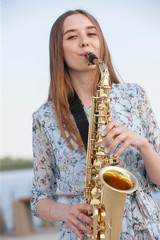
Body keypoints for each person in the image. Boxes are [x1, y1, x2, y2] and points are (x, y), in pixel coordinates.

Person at [31, 9, 160, 240]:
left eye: (91, 34)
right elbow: (39, 197)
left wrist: (143, 144)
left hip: (143, 229)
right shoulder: (45, 117)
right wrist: (65, 211)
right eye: (72, 36)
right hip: (85, 230)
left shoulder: (134, 95)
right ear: (57, 50)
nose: (84, 42)